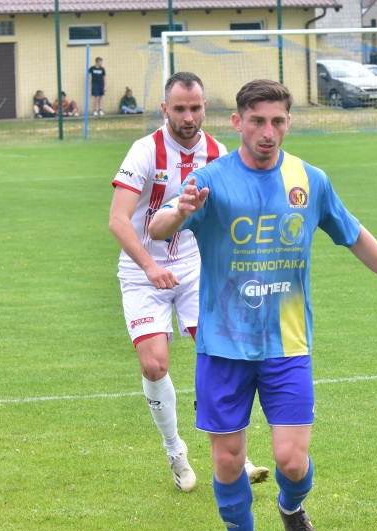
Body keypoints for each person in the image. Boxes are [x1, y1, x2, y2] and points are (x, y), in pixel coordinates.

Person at [149, 79, 377, 531]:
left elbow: (353, 234)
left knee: (290, 460)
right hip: (223, 344)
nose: (268, 132)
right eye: (258, 121)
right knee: (228, 460)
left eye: (278, 121)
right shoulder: (210, 180)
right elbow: (157, 227)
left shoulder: (309, 180)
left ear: (289, 122)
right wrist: (181, 210)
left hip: (287, 341)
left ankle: (292, 505)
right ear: (238, 122)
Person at [108, 72, 270, 493]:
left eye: (195, 107)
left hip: (196, 268)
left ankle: (235, 451)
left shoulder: (217, 152)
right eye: (179, 108)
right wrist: (148, 266)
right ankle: (175, 451)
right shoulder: (145, 151)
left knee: (218, 354)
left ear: (205, 108)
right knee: (154, 362)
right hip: (143, 271)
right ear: (165, 109)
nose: (188, 116)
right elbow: (117, 220)